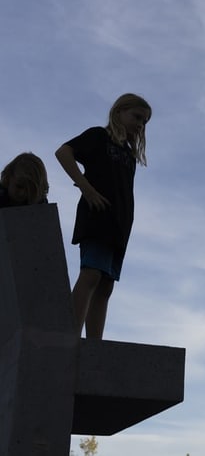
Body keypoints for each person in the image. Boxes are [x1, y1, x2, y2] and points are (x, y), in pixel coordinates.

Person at [55, 93, 151, 339]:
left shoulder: (129, 155)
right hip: (97, 216)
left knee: (106, 285)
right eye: (137, 116)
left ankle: (94, 344)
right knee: (91, 274)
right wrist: (86, 187)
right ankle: (70, 335)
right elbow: (64, 152)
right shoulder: (99, 136)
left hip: (119, 225)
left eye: (144, 122)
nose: (140, 124)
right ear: (119, 112)